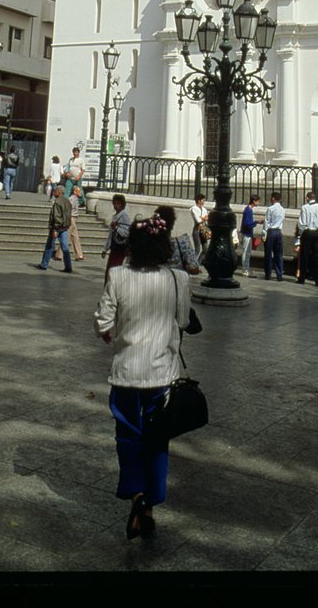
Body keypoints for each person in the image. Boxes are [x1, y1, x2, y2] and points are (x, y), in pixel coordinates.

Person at [93, 215, 191, 541]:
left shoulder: (118, 275)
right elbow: (182, 320)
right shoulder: (178, 279)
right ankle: (149, 506)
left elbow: (102, 323)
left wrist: (111, 332)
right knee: (157, 441)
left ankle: (137, 495)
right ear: (165, 247)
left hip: (126, 373)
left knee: (128, 438)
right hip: (162, 374)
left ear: (132, 246)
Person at [154, 205, 200, 275]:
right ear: (172, 224)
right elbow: (194, 269)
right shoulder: (182, 243)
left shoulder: (148, 243)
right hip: (175, 282)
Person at [38, 184, 73, 273]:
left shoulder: (57, 202)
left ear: (59, 192)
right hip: (65, 227)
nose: (54, 193)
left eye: (55, 191)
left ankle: (44, 264)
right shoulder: (67, 201)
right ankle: (68, 266)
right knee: (65, 247)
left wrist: (54, 228)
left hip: (57, 228)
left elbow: (56, 216)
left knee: (49, 246)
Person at [296, 191, 318, 286]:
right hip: (317, 233)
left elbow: (301, 223)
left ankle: (302, 278)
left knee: (304, 255)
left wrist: (302, 233)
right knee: (317, 256)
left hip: (308, 232)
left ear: (307, 198)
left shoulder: (305, 208)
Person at [102, 193, 131, 282]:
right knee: (109, 271)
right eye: (114, 203)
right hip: (114, 247)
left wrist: (116, 228)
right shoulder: (115, 216)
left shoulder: (124, 215)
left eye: (118, 204)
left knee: (114, 270)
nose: (116, 206)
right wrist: (105, 248)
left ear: (122, 204)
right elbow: (110, 235)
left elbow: (127, 232)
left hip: (120, 248)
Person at [263, 193, 285, 281]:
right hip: (279, 231)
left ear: (273, 198)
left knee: (268, 254)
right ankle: (279, 274)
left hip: (271, 231)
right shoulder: (283, 209)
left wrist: (264, 233)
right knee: (279, 254)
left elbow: (267, 222)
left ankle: (268, 274)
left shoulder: (270, 209)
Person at [239, 196, 260, 277]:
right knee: (245, 252)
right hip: (247, 234)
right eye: (257, 201)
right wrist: (256, 222)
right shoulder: (248, 210)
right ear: (254, 201)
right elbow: (247, 224)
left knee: (248, 252)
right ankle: (245, 269)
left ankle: (246, 268)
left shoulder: (249, 210)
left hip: (248, 234)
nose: (258, 203)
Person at [66, 182, 86, 259]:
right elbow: (68, 208)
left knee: (75, 237)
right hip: (71, 218)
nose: (80, 192)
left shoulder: (76, 198)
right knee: (67, 236)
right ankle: (59, 254)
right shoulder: (72, 198)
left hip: (74, 217)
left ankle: (79, 254)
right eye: (79, 191)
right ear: (75, 192)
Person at [190, 194, 210, 261]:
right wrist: (204, 218)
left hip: (203, 230)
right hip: (197, 230)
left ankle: (198, 263)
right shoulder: (194, 209)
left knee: (206, 249)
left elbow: (207, 219)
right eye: (203, 200)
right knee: (197, 249)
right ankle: (192, 263)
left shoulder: (204, 209)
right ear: (198, 201)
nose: (204, 201)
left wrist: (203, 218)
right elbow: (198, 220)